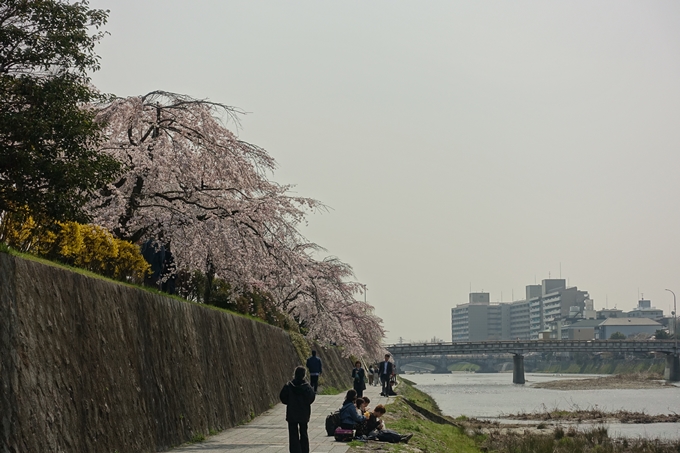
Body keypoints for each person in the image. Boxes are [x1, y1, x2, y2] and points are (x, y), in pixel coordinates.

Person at [280, 366, 316, 453]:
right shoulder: (307, 387)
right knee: (304, 432)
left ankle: (295, 450)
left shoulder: (289, 386)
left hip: (292, 412)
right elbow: (311, 398)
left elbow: (282, 397)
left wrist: (289, 402)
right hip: (304, 413)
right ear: (304, 375)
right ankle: (304, 450)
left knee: (293, 434)